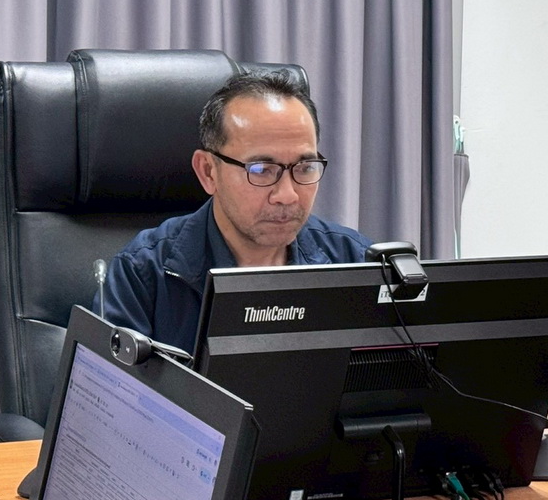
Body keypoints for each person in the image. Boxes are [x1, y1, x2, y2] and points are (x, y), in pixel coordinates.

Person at [100, 69, 372, 352]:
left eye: (304, 168)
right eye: (262, 170)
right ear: (208, 172)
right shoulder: (142, 275)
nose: (287, 195)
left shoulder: (358, 264)